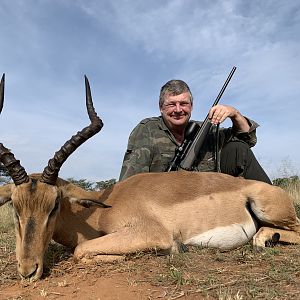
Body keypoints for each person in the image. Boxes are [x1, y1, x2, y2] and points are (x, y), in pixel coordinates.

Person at [119, 79, 271, 184]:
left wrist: (234, 114)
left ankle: (273, 205)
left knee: (238, 149)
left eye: (184, 104)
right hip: (164, 203)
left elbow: (247, 140)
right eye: (172, 104)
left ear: (191, 106)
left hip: (207, 197)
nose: (178, 110)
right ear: (161, 108)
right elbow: (130, 182)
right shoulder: (147, 130)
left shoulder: (205, 129)